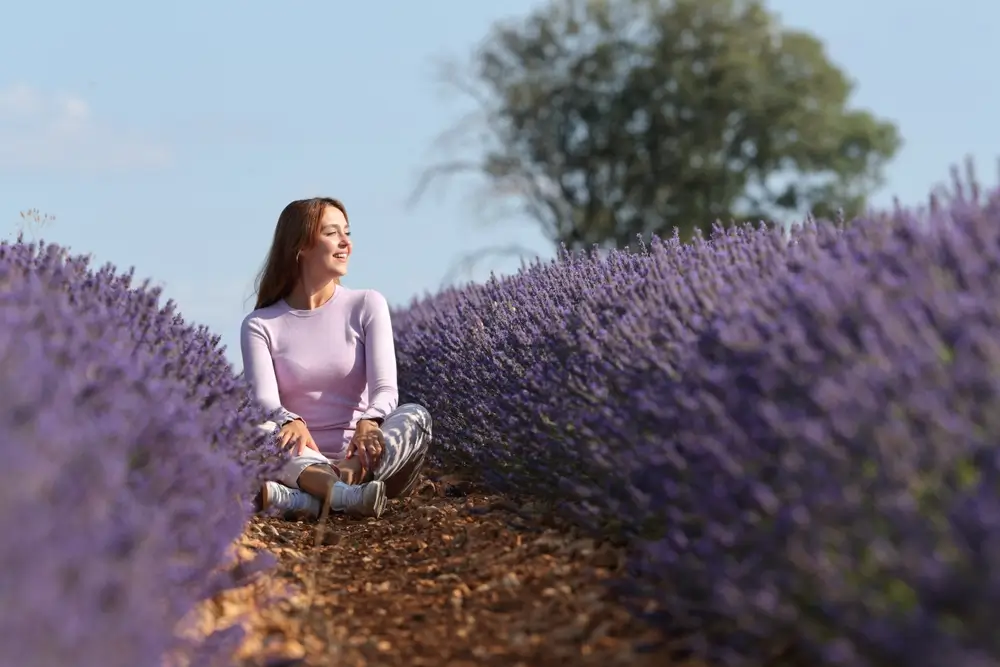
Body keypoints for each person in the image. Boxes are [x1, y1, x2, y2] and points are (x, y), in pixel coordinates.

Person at [240, 196, 432, 520]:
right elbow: (263, 400)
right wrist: (290, 419)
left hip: (365, 458)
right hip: (300, 459)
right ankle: (342, 497)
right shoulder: (260, 325)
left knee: (416, 417)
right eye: (332, 233)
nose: (346, 243)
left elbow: (386, 389)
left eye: (347, 232)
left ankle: (318, 494)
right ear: (300, 246)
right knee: (256, 430)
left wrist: (370, 422)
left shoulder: (367, 305)